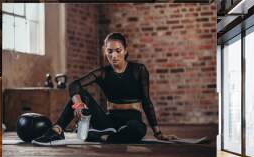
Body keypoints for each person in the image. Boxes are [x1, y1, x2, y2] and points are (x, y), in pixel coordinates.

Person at [35, 32, 177, 144]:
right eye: (109, 51)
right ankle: (57, 129)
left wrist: (158, 133)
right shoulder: (103, 73)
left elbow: (147, 102)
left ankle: (103, 137)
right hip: (108, 122)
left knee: (139, 129)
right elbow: (74, 85)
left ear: (125, 51)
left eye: (118, 50)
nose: (113, 55)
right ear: (105, 52)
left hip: (131, 121)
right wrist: (78, 104)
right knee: (80, 94)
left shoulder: (139, 70)